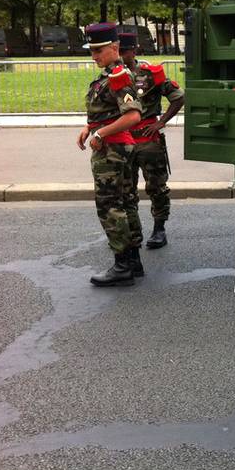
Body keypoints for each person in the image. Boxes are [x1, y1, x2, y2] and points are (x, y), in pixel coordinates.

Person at [77, 23, 145, 286]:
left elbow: (133, 116)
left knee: (110, 206)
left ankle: (122, 265)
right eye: (91, 50)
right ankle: (133, 261)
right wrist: (89, 128)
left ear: (115, 48)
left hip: (112, 151)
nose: (94, 56)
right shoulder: (109, 75)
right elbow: (108, 112)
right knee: (126, 202)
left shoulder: (118, 76)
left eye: (98, 50)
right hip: (114, 147)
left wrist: (101, 134)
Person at [119, 32, 185, 249]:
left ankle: (159, 229)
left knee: (156, 186)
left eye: (124, 51)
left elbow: (178, 96)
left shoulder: (149, 74)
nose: (120, 56)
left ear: (133, 51)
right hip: (123, 140)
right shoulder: (113, 76)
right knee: (125, 189)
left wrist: (161, 122)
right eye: (117, 51)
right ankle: (131, 230)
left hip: (148, 141)